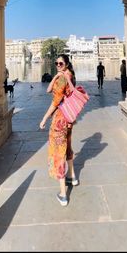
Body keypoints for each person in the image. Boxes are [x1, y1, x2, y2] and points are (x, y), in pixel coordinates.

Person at [39, 54, 78, 207]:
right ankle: (72, 177)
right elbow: (49, 90)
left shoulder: (63, 79)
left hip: (60, 120)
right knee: (67, 146)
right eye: (56, 63)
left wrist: (44, 119)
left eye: (60, 63)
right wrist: (56, 75)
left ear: (66, 64)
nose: (58, 65)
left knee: (58, 154)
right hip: (69, 119)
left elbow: (55, 103)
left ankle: (63, 194)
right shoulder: (68, 75)